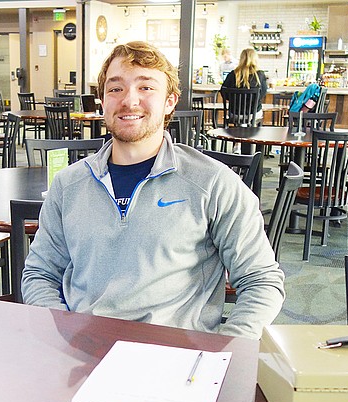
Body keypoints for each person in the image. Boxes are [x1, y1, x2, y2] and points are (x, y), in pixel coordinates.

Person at [21, 41, 285, 339]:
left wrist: (228, 349)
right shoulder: (69, 184)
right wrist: (64, 333)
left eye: (146, 87)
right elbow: (39, 274)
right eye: (115, 88)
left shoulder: (212, 182)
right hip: (82, 354)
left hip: (174, 357)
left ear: (170, 102)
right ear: (103, 101)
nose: (129, 100)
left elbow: (262, 279)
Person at [220, 47, 267, 124]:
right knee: (258, 112)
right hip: (253, 114)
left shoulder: (232, 74)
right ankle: (253, 134)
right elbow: (263, 93)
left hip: (235, 114)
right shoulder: (260, 75)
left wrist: (234, 100)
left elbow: (223, 92)